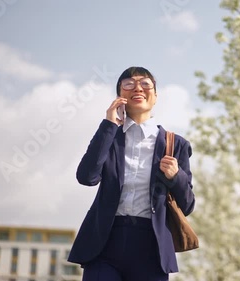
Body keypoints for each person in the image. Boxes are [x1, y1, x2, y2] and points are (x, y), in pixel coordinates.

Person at [67, 66, 195, 281]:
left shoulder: (176, 144)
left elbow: (188, 205)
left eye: (145, 84)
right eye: (128, 84)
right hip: (104, 243)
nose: (137, 88)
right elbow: (87, 177)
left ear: (155, 96)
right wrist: (109, 125)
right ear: (120, 95)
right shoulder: (109, 137)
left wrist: (176, 176)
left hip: (151, 247)